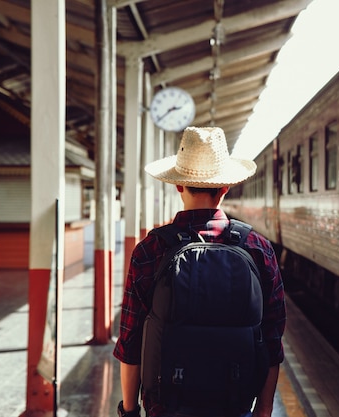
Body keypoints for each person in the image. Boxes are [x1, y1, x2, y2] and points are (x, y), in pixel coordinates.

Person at [113, 126, 286, 417]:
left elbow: (130, 340)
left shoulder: (151, 249)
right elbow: (272, 338)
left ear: (178, 185)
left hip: (166, 405)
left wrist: (129, 410)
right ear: (225, 188)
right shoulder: (258, 248)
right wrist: (264, 409)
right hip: (235, 402)